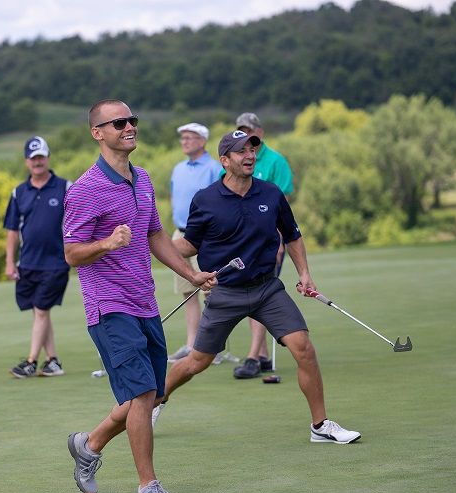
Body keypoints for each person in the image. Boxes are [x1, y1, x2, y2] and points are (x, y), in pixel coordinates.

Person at [152, 129, 360, 446]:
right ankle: (158, 397)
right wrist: (154, 245)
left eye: (252, 149)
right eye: (241, 151)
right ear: (225, 160)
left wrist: (304, 273)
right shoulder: (206, 199)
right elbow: (191, 244)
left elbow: (291, 235)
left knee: (303, 347)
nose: (249, 155)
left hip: (267, 290)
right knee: (198, 361)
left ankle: (321, 425)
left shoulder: (270, 193)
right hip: (225, 293)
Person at [63, 99, 216, 493]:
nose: (129, 126)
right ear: (98, 133)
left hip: (144, 302)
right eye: (118, 123)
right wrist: (107, 244)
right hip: (108, 307)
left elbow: (156, 236)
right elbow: (72, 254)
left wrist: (191, 274)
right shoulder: (84, 189)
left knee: (149, 394)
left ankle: (88, 445)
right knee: (144, 391)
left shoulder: (143, 178)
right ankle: (148, 488)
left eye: (132, 120)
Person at [231, 112, 295, 379]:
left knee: (258, 296)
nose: (247, 137)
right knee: (250, 295)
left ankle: (253, 357)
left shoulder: (275, 161)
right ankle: (264, 356)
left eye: (250, 132)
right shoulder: (236, 160)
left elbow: (283, 205)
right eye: (241, 131)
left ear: (260, 133)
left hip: (269, 242)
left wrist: (280, 240)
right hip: (242, 243)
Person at [4, 136, 72, 378]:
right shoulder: (18, 192)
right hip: (28, 263)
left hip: (56, 263)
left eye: (41, 157)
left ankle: (31, 361)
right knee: (39, 312)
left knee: (41, 310)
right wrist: (10, 262)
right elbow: (12, 231)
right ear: (26, 161)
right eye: (33, 158)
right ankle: (53, 361)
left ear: (48, 158)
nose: (38, 162)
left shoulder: (65, 187)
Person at [166, 123, 221, 364]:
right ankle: (192, 344)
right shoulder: (178, 169)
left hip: (206, 235)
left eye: (190, 138)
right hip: (180, 234)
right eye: (183, 138)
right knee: (188, 291)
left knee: (210, 290)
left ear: (202, 141)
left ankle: (213, 347)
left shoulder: (214, 168)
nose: (185, 141)